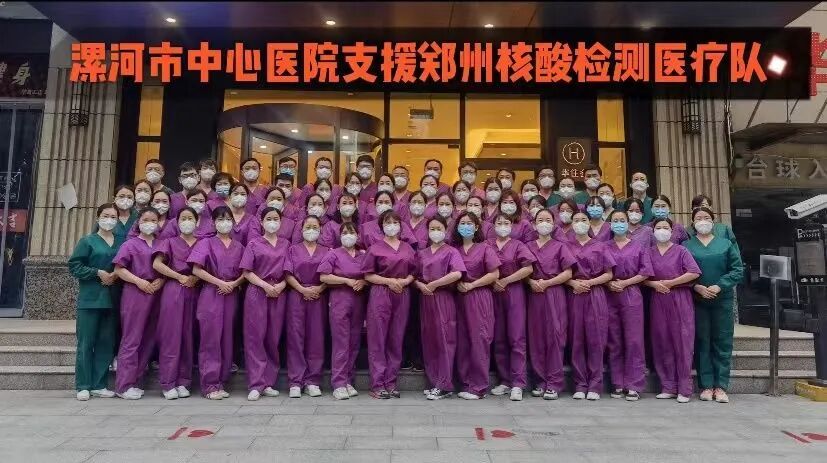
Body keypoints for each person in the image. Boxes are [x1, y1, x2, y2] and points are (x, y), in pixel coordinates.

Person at [684, 207, 744, 403]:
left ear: (713, 221)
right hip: (697, 300)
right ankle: (706, 385)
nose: (703, 221)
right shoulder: (686, 245)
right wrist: (696, 287)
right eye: (698, 218)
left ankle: (721, 386)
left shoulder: (725, 244)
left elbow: (737, 270)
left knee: (722, 341)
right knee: (702, 342)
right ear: (693, 223)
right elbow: (679, 271)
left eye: (706, 218)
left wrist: (720, 285)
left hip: (722, 300)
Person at [189, 206, 246, 400]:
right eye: (220, 219)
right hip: (211, 293)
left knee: (227, 338)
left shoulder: (239, 246)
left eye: (228, 219)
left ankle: (222, 380)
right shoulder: (205, 243)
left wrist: (233, 284)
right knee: (210, 339)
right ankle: (210, 384)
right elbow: (196, 270)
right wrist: (220, 283)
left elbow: (246, 271)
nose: (225, 222)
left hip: (231, 294)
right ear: (213, 223)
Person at [69, 203, 123, 401]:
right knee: (86, 342)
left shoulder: (121, 241)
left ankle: (99, 384)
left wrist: (116, 274)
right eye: (106, 216)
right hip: (91, 298)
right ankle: (83, 385)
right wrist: (97, 272)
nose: (109, 220)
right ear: (97, 217)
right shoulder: (87, 241)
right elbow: (75, 266)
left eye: (113, 217)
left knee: (106, 342)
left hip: (113, 298)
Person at [645, 218, 702, 403]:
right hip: (658, 299)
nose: (662, 230)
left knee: (682, 341)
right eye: (658, 227)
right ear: (653, 231)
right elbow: (642, 275)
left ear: (672, 231)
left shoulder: (681, 251)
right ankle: (668, 386)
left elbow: (694, 272)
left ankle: (684, 389)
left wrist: (671, 282)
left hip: (679, 298)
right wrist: (654, 284)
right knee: (661, 341)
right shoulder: (648, 252)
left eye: (666, 227)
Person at [362, 210, 417, 399]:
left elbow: (414, 272)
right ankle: (377, 384)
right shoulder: (374, 248)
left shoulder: (407, 248)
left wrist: (405, 281)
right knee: (377, 338)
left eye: (395, 222)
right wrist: (388, 282)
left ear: (401, 226)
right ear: (381, 226)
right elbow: (368, 275)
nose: (391, 225)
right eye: (387, 222)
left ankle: (391, 382)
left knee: (396, 337)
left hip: (402, 293)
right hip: (380, 293)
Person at [112, 207, 164, 400]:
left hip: (155, 293)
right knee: (131, 338)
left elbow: (166, 268)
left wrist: (161, 280)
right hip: (135, 293)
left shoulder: (161, 244)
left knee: (148, 338)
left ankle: (136, 381)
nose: (149, 224)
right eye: (145, 220)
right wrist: (138, 281)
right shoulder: (130, 244)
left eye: (153, 220)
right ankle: (123, 385)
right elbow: (119, 269)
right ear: (138, 222)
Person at [239, 207, 290, 401]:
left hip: (278, 292)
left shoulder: (286, 244)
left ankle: (268, 382)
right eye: (268, 218)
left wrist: (281, 285)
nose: (272, 222)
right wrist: (264, 285)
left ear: (281, 222)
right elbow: (246, 272)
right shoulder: (254, 243)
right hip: (257, 292)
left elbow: (289, 271)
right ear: (261, 221)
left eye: (276, 218)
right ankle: (256, 383)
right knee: (255, 337)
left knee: (273, 338)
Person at [565, 210, 616, 400]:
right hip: (574, 294)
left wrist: (590, 283)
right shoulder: (565, 246)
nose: (580, 222)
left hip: (595, 294)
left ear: (590, 222)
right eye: (576, 220)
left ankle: (595, 384)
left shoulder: (600, 246)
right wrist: (573, 283)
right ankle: (580, 384)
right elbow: (561, 272)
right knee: (576, 339)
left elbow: (609, 274)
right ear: (571, 224)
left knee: (596, 339)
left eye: (583, 219)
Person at [526, 209, 575, 400]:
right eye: (540, 220)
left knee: (555, 336)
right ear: (534, 224)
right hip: (534, 294)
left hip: (554, 293)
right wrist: (531, 281)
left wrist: (547, 283)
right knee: (536, 338)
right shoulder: (528, 246)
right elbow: (523, 270)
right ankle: (540, 382)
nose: (544, 223)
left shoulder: (560, 246)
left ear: (554, 224)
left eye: (547, 220)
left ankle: (554, 383)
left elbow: (568, 273)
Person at [605, 210, 654, 401]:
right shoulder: (604, 247)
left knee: (634, 340)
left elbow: (645, 272)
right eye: (615, 220)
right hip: (609, 294)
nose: (619, 223)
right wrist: (609, 283)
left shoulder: (638, 247)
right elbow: (599, 270)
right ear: (610, 224)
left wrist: (625, 283)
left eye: (622, 220)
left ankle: (634, 384)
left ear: (627, 224)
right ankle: (617, 383)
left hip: (631, 294)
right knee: (614, 340)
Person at [152, 206, 200, 400]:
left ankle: (183, 381)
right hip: (174, 289)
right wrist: (179, 276)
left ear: (197, 222)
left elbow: (209, 265)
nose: (187, 222)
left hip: (195, 291)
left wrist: (195, 278)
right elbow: (157, 264)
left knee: (188, 336)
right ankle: (168, 382)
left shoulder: (203, 243)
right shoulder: (170, 242)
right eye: (183, 219)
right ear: (177, 222)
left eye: (190, 218)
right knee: (171, 336)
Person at [415, 216, 465, 400]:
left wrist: (435, 284)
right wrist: (421, 285)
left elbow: (457, 273)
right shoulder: (422, 253)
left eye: (439, 228)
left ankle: (445, 384)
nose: (435, 232)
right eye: (432, 229)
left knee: (445, 340)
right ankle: (434, 381)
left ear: (445, 230)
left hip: (443, 298)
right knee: (430, 340)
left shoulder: (451, 251)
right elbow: (415, 276)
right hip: (426, 298)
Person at [489, 213, 537, 401]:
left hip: (514, 292)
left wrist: (506, 280)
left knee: (517, 338)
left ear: (512, 226)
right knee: (499, 338)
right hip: (493, 293)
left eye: (506, 222)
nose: (502, 225)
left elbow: (528, 268)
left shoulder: (518, 245)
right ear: (493, 226)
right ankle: (505, 380)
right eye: (499, 222)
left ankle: (518, 383)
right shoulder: (488, 245)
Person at [453, 212, 500, 399]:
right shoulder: (453, 250)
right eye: (462, 223)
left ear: (477, 227)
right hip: (459, 298)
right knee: (463, 341)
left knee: (479, 339)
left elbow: (494, 274)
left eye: (469, 223)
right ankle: (465, 383)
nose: (466, 226)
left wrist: (473, 285)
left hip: (479, 297)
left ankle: (478, 387)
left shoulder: (485, 248)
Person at [319, 223, 367, 400]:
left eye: (351, 232)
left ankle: (348, 380)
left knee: (354, 342)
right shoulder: (333, 254)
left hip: (358, 300)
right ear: (340, 236)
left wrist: (364, 282)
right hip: (340, 300)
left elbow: (369, 274)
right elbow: (324, 276)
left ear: (358, 235)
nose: (348, 235)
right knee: (341, 342)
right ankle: (338, 383)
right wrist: (346, 281)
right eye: (345, 232)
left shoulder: (363, 255)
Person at [285, 215, 330, 398]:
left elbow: (330, 274)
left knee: (316, 338)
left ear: (320, 229)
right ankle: (295, 381)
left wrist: (320, 288)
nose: (311, 230)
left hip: (318, 296)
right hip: (297, 295)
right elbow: (287, 274)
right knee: (295, 337)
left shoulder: (327, 251)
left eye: (315, 227)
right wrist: (302, 289)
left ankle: (313, 380)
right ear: (301, 229)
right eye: (308, 226)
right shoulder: (292, 249)